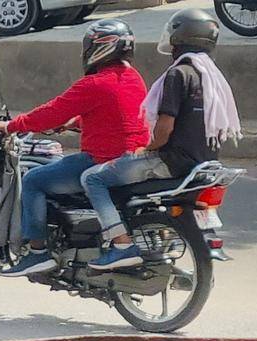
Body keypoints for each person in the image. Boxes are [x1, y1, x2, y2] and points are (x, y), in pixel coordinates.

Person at [78, 9, 240, 272]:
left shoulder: (179, 74)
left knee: (93, 178)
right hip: (203, 164)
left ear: (178, 38)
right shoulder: (211, 77)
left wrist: (145, 148)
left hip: (172, 161)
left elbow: (164, 130)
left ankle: (121, 244)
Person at [0, 19, 149, 278]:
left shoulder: (94, 84)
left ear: (97, 49)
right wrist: (75, 123)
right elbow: (116, 115)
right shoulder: (132, 78)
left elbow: (50, 113)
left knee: (33, 180)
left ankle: (38, 252)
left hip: (102, 160)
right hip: (133, 157)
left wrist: (11, 126)